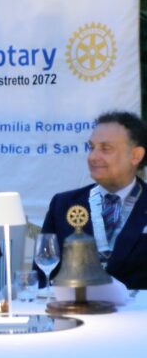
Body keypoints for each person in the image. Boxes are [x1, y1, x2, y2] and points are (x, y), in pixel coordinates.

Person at [41, 111, 147, 289]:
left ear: (135, 155)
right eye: (91, 147)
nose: (93, 157)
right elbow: (44, 273)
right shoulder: (64, 204)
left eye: (106, 149)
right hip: (75, 313)